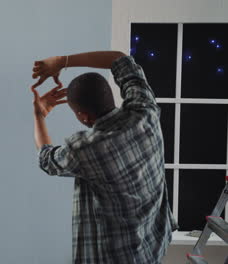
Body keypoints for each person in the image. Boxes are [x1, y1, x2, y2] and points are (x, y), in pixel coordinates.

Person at [31, 51, 178, 263]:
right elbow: (120, 60)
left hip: (118, 257)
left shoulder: (86, 149)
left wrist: (39, 113)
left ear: (83, 116)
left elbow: (46, 159)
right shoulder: (145, 110)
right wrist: (62, 62)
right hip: (153, 245)